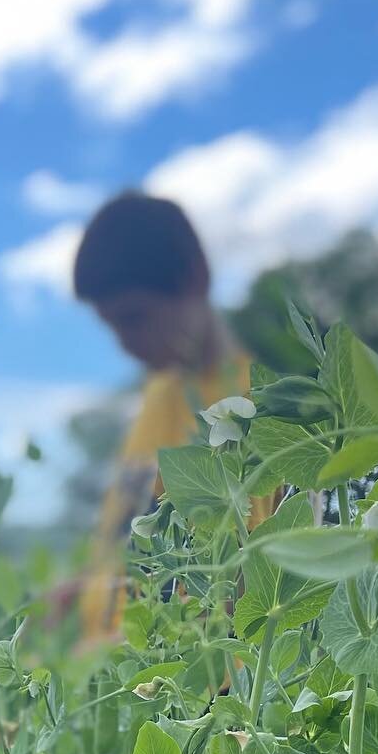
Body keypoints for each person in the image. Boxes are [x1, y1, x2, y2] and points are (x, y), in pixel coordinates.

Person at [70, 191, 278, 643]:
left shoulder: (253, 411)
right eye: (112, 326)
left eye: (134, 318)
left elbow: (235, 603)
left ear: (194, 278)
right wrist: (82, 593)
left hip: (175, 695)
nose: (124, 343)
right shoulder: (161, 393)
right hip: (102, 679)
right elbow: (126, 540)